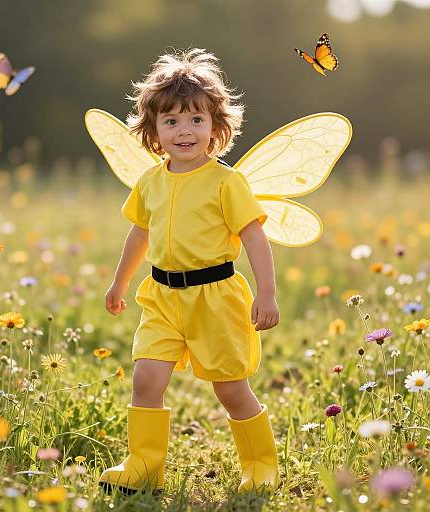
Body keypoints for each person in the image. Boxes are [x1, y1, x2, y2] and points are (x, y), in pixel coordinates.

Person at [99, 48, 279, 495]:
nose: (184, 131)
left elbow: (255, 237)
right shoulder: (151, 182)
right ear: (153, 130)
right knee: (146, 378)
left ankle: (260, 465)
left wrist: (267, 292)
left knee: (230, 389)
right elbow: (140, 233)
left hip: (215, 298)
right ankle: (144, 466)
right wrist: (120, 281)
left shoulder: (226, 182)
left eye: (196, 120)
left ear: (216, 128)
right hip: (161, 297)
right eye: (172, 121)